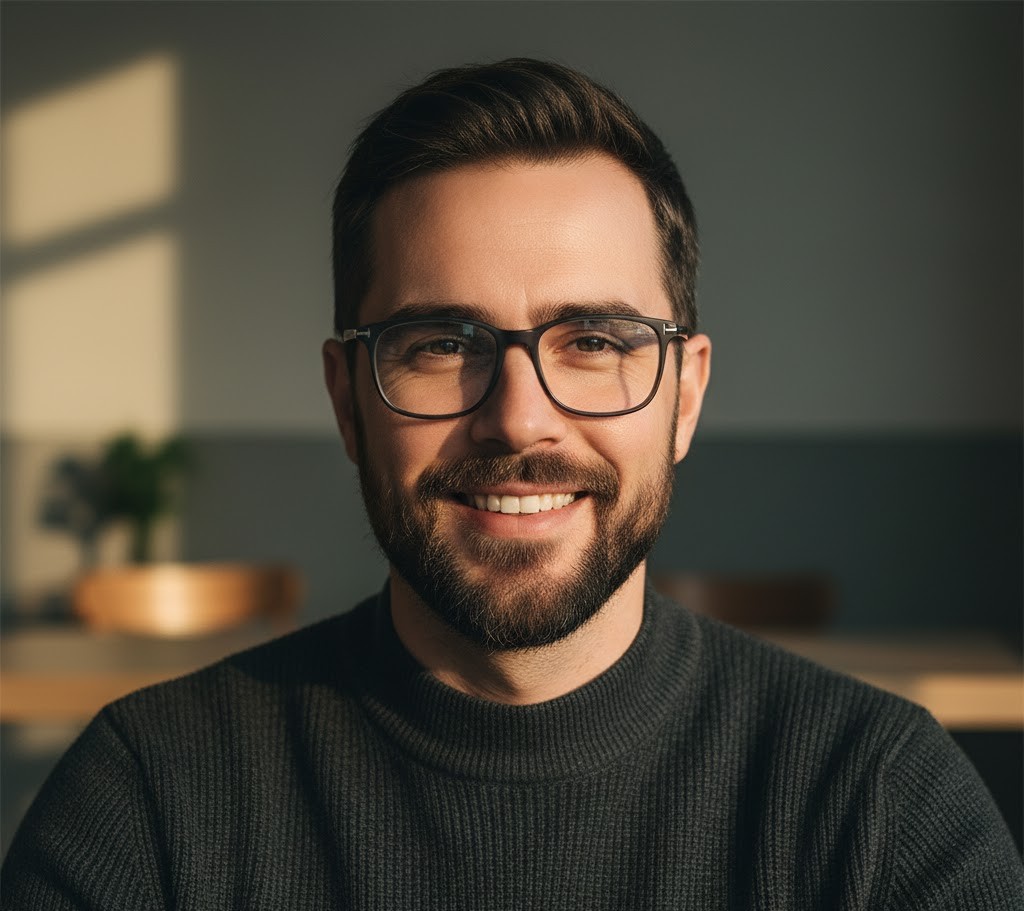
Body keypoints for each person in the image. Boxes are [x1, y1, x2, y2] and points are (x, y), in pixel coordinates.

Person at [3, 58, 1021, 910]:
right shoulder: (150, 800)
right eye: (441, 341)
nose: (519, 416)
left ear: (686, 395)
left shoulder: (874, 802)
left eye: (595, 340)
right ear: (347, 399)